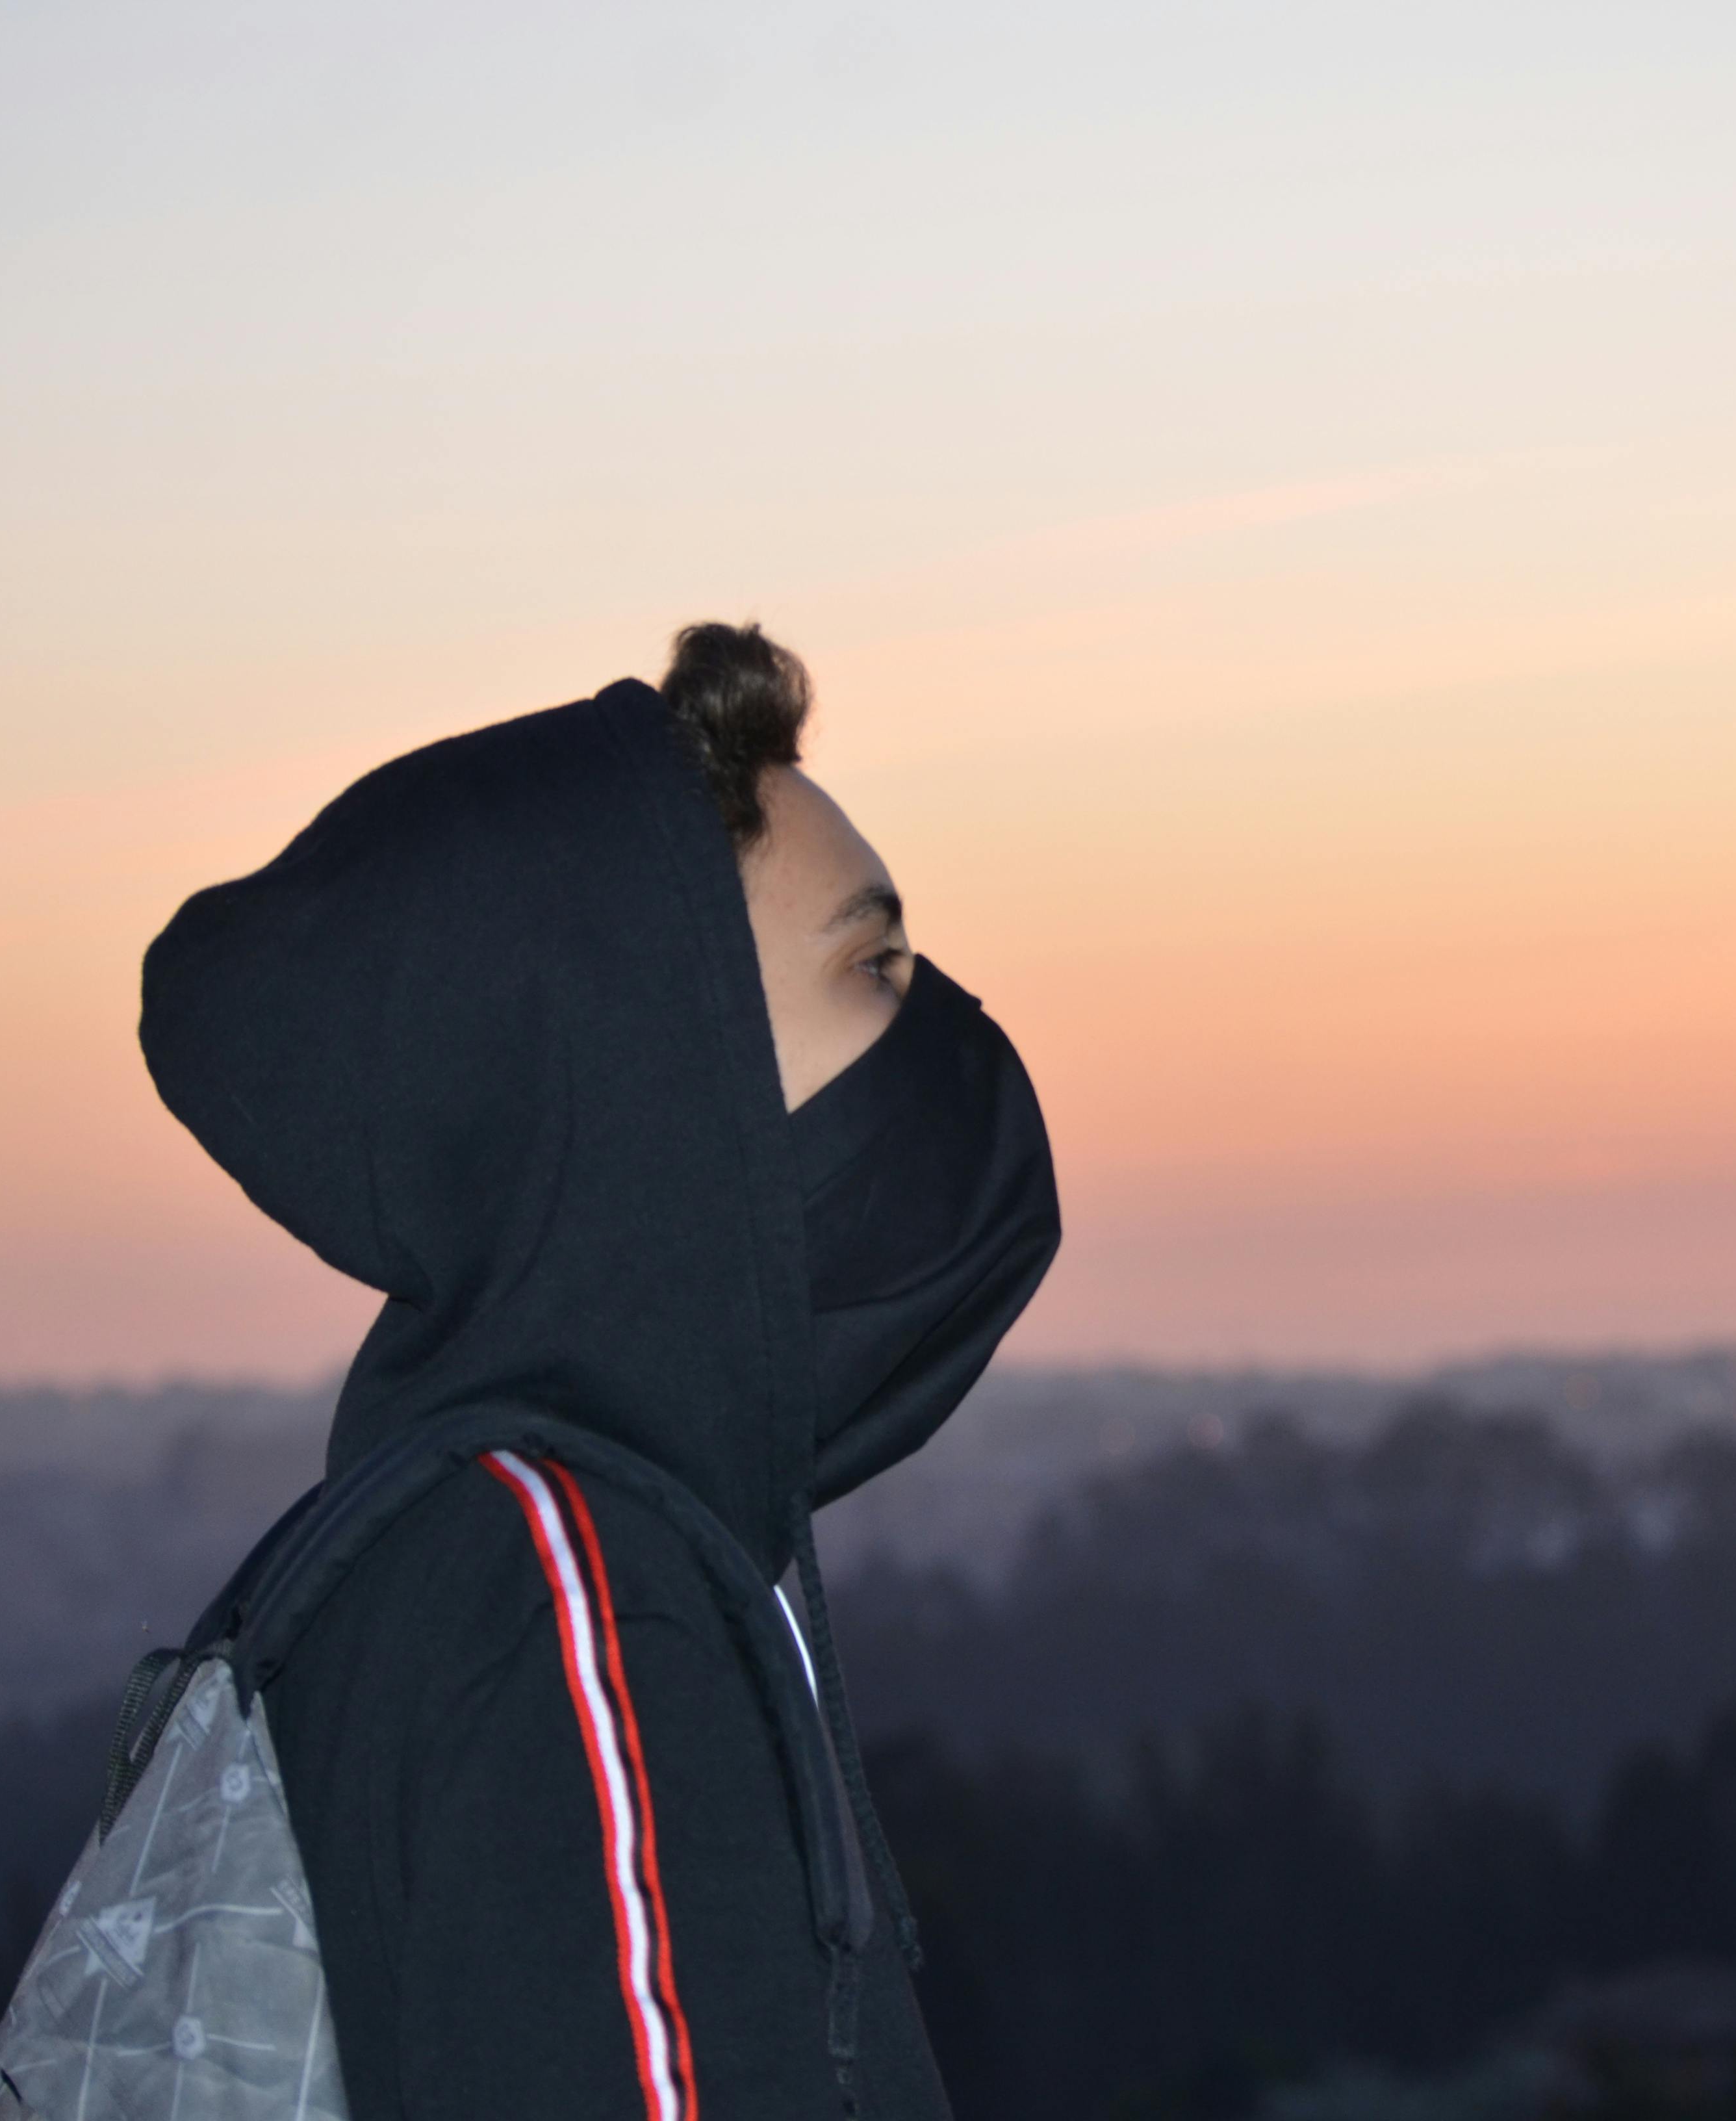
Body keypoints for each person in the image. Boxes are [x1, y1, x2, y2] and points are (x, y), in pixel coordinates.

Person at [136, 623, 1060, 2120]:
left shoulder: (482, 1537)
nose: (943, 1025)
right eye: (871, 962)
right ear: (658, 1074)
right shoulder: (570, 1596)